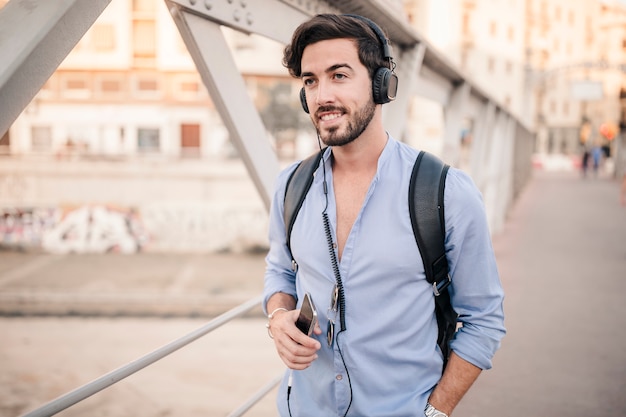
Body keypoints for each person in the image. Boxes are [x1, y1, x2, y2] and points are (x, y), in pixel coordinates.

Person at [263, 14, 505, 417]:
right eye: (310, 81)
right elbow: (279, 270)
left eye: (339, 76)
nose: (321, 95)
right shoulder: (290, 185)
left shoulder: (447, 193)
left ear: (382, 85)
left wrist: (435, 412)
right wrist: (278, 316)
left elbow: (484, 321)